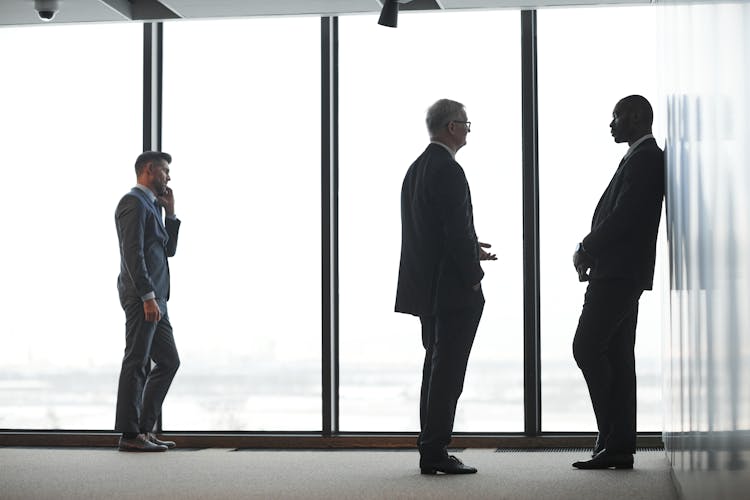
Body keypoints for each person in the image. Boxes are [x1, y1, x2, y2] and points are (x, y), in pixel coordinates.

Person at [395, 99, 496, 475]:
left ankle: (429, 447)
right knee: (449, 373)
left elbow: (430, 234)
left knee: (435, 370)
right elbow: (453, 231)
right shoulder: (450, 170)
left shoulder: (416, 169)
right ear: (452, 127)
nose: (469, 130)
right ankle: (436, 452)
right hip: (453, 291)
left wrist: (472, 248)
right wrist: (473, 276)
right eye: (467, 123)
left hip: (426, 290)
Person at [571, 95, 665, 469]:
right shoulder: (639, 158)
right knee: (617, 356)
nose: (611, 125)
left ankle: (613, 436)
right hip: (621, 272)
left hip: (619, 274)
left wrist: (585, 247)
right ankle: (618, 445)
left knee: (587, 347)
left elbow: (626, 217)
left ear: (637, 117)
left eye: (617, 117)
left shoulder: (645, 159)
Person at [114, 151, 181, 452]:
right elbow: (133, 254)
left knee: (168, 361)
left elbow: (169, 251)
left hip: (157, 301)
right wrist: (147, 296)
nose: (169, 177)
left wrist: (171, 214)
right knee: (137, 361)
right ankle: (130, 436)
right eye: (165, 170)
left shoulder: (152, 207)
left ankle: (144, 429)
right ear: (150, 170)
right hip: (145, 298)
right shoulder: (133, 202)